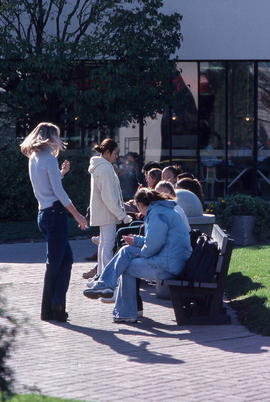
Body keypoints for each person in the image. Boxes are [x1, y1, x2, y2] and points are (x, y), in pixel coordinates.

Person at [83, 188, 192, 323]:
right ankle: (108, 287)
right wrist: (137, 241)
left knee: (126, 261)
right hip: (171, 260)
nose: (139, 212)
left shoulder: (157, 214)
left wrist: (138, 250)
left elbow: (152, 247)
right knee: (125, 254)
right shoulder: (162, 210)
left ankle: (117, 301)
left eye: (138, 208)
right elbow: (156, 241)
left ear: (140, 204)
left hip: (167, 265)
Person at [20, 122, 88, 322]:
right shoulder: (48, 159)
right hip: (55, 215)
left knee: (64, 260)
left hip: (44, 214)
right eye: (57, 136)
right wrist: (77, 215)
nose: (60, 140)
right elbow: (58, 192)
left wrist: (62, 174)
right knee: (56, 263)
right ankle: (52, 308)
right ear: (50, 138)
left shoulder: (34, 158)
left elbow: (48, 186)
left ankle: (55, 305)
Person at [88, 138, 132, 279]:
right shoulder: (106, 168)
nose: (117, 156)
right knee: (107, 246)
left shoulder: (100, 166)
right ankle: (106, 279)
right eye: (115, 153)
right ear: (107, 152)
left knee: (103, 246)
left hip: (103, 212)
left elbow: (107, 196)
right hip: (107, 213)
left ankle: (101, 275)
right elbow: (109, 197)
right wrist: (122, 216)